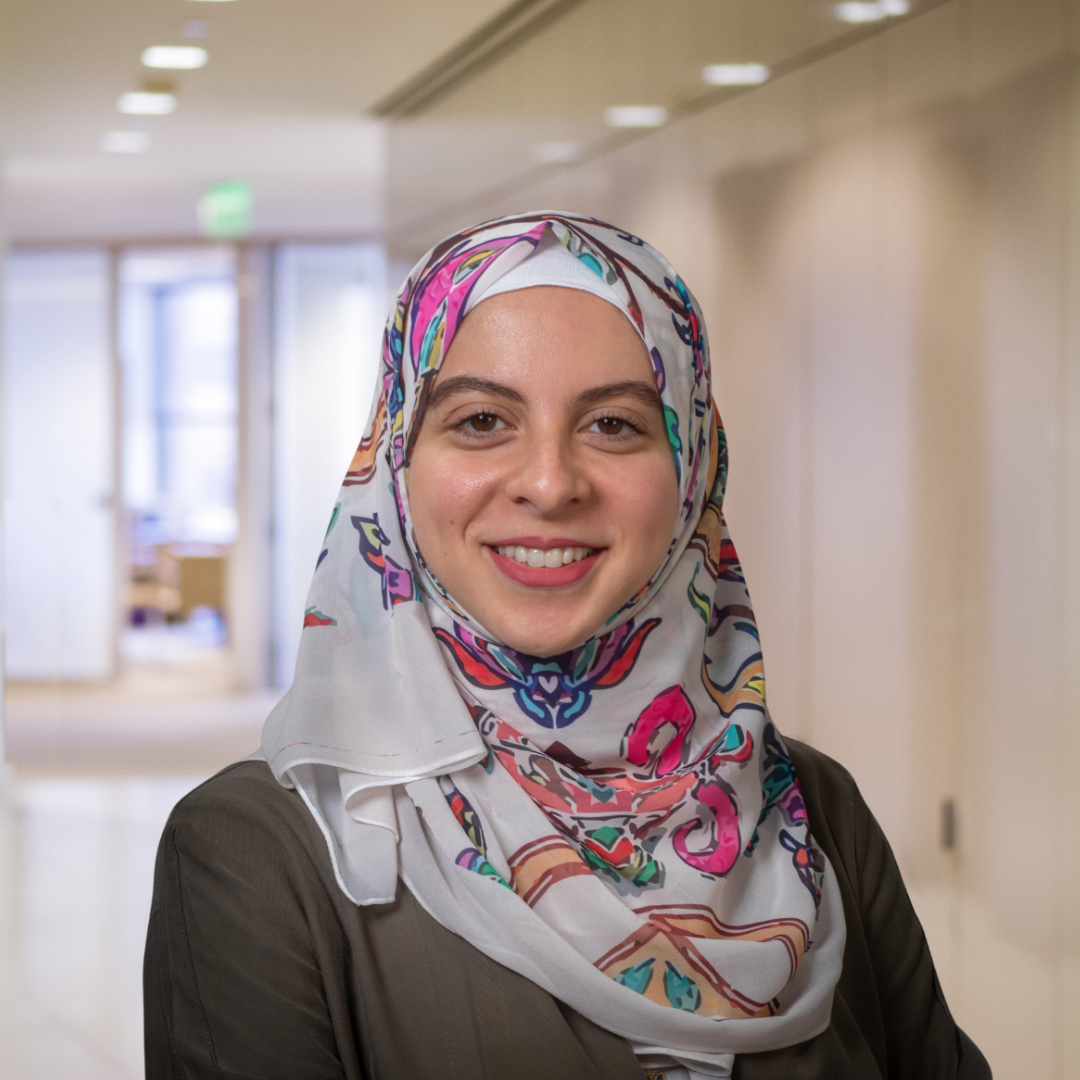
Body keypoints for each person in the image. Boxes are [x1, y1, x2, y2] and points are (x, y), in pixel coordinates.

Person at [144, 212, 991, 1079]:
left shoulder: (814, 811)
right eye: (480, 421)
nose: (549, 484)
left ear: (693, 468)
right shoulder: (261, 854)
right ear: (394, 464)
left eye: (615, 425)